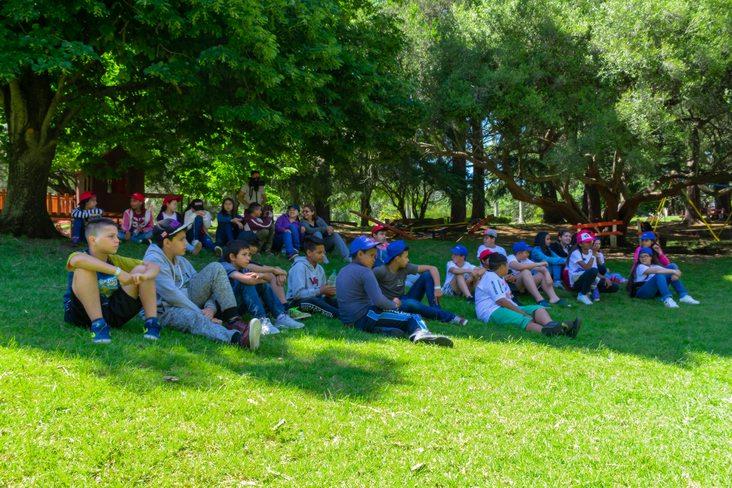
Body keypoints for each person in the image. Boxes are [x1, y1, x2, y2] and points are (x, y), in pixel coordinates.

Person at [143, 219, 261, 349]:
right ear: (167, 242)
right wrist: (200, 312)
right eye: (181, 240)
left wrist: (210, 308)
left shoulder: (180, 259)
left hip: (188, 301)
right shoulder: (154, 260)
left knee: (216, 268)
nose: (186, 243)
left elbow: (204, 284)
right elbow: (172, 295)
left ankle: (233, 320)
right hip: (164, 310)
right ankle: (238, 339)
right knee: (193, 318)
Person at [335, 236, 454, 346]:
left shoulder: (343, 270)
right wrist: (394, 305)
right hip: (364, 317)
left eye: (375, 256)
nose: (374, 259)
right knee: (412, 317)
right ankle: (422, 334)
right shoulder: (365, 272)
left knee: (396, 326)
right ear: (360, 254)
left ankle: (384, 331)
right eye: (371, 256)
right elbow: (379, 301)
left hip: (348, 320)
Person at [64, 217, 161, 343]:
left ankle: (152, 323)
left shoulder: (115, 259)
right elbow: (77, 260)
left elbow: (153, 266)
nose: (117, 240)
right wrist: (118, 272)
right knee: (83, 268)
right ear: (93, 240)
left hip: (112, 313)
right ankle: (98, 326)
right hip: (81, 315)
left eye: (116, 236)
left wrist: (144, 277)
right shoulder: (80, 256)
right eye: (111, 236)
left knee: (142, 269)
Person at [475, 253, 580, 338]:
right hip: (491, 311)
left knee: (538, 309)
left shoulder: (498, 276)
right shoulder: (491, 278)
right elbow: (501, 301)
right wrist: (522, 312)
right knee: (523, 318)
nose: (508, 267)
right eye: (507, 265)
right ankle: (549, 331)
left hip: (503, 307)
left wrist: (520, 310)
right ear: (502, 266)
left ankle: (553, 326)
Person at [374, 240, 468, 326]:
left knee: (427, 275)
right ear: (397, 258)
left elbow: (432, 268)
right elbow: (368, 288)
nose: (408, 260)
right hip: (392, 305)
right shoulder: (380, 271)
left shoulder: (405, 267)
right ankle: (451, 317)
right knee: (411, 303)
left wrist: (438, 288)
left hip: (403, 299)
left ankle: (436, 311)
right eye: (406, 257)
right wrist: (387, 302)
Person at [220, 240, 305, 334]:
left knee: (261, 284)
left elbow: (268, 277)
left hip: (239, 306)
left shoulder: (243, 268)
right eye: (244, 255)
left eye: (249, 255)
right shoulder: (225, 266)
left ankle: (280, 316)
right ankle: (261, 321)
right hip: (226, 311)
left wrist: (260, 275)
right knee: (247, 283)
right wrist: (259, 278)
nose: (248, 258)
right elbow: (248, 280)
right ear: (232, 257)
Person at [286, 236, 339, 318]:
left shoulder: (320, 269)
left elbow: (321, 291)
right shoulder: (300, 267)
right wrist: (320, 291)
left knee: (333, 301)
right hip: (296, 304)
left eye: (324, 253)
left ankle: (349, 311)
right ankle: (339, 315)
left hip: (316, 299)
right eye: (319, 253)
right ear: (309, 253)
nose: (323, 255)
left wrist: (328, 292)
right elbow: (297, 295)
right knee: (313, 300)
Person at [629, 247, 700, 307]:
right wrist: (674, 272)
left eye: (646, 256)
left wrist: (675, 273)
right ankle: (667, 299)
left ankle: (684, 296)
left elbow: (671, 266)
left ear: (651, 257)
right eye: (641, 257)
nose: (643, 258)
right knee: (659, 274)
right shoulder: (640, 267)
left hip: (654, 292)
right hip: (642, 292)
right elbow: (658, 271)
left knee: (672, 266)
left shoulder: (655, 266)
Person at [507, 241, 568, 307]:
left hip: (524, 286)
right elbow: (519, 267)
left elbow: (540, 268)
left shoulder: (525, 260)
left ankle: (554, 298)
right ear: (519, 253)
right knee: (525, 271)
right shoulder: (511, 258)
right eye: (526, 252)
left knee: (540, 274)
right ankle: (540, 299)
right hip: (514, 286)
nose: (528, 254)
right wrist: (539, 263)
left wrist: (546, 273)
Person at [566, 231, 600, 306]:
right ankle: (582, 294)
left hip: (587, 277)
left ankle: (591, 290)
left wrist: (605, 278)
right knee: (593, 271)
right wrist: (593, 255)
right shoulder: (576, 253)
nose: (590, 243)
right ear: (580, 244)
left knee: (613, 287)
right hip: (576, 281)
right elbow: (587, 268)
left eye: (591, 241)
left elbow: (595, 268)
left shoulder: (591, 251)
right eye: (587, 242)